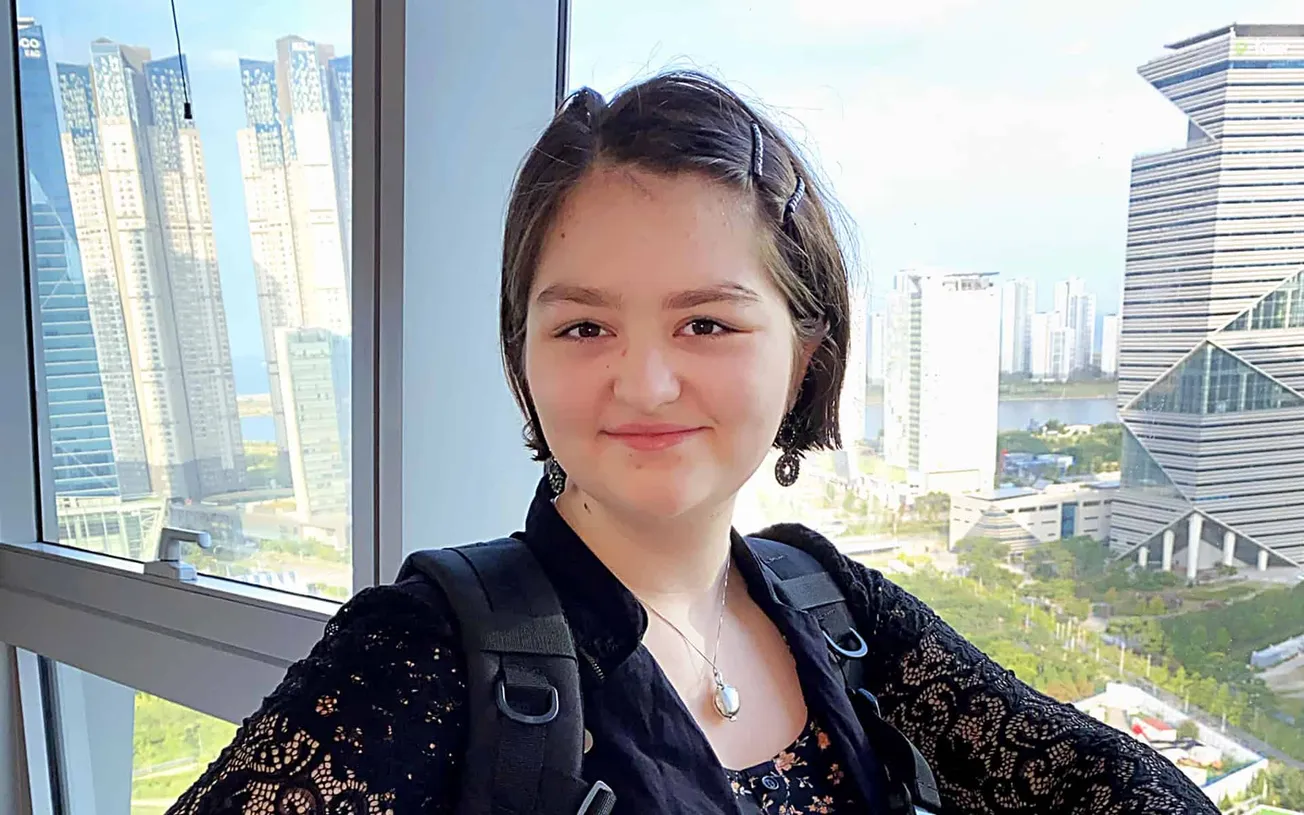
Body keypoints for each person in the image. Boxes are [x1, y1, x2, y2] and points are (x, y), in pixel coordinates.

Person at [168, 72, 1215, 814]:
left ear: (803, 354)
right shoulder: (423, 651)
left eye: (705, 322)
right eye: (582, 325)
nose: (644, 379)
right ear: (521, 353)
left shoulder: (830, 602)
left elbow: (1113, 781)